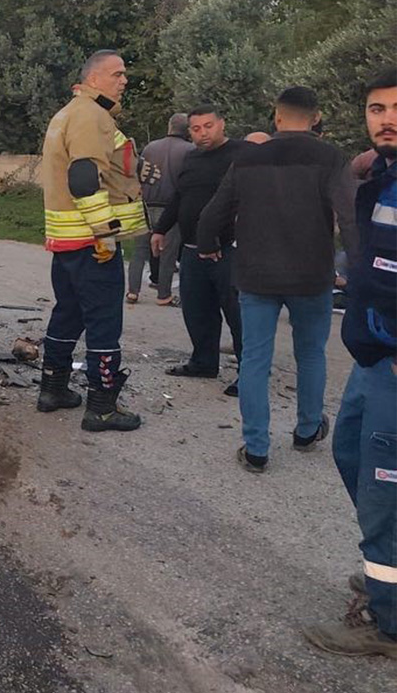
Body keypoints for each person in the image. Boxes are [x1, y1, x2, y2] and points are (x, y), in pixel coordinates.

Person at [196, 86, 358, 473]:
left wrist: (207, 245)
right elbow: (350, 216)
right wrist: (361, 269)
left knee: (255, 359)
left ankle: (256, 449)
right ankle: (307, 430)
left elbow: (214, 212)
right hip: (312, 276)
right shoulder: (330, 157)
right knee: (311, 354)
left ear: (277, 116)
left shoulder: (248, 158)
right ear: (316, 118)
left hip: (256, 275)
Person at [303, 67, 397, 659]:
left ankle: (389, 625)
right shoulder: (384, 177)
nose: (387, 119)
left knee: (386, 489)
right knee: (349, 453)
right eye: (377, 109)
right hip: (372, 356)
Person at [36, 49, 146, 432]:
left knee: (68, 313)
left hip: (66, 241)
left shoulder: (67, 113)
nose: (124, 80)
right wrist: (106, 235)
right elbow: (84, 178)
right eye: (117, 74)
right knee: (104, 321)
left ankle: (52, 389)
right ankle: (101, 407)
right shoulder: (92, 115)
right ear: (94, 79)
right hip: (91, 241)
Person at [153, 105, 248, 397]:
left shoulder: (242, 154)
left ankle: (249, 372)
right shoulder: (191, 158)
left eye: (208, 126)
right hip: (192, 249)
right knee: (197, 310)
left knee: (238, 314)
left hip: (228, 250)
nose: (203, 133)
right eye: (196, 129)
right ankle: (203, 362)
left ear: (222, 124)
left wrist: (223, 237)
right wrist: (160, 229)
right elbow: (180, 196)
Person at [128, 113, 191, 306]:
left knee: (139, 251)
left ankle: (132, 291)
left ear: (169, 126)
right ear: (188, 130)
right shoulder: (190, 150)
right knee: (168, 254)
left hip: (146, 206)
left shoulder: (150, 147)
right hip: (171, 209)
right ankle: (164, 295)